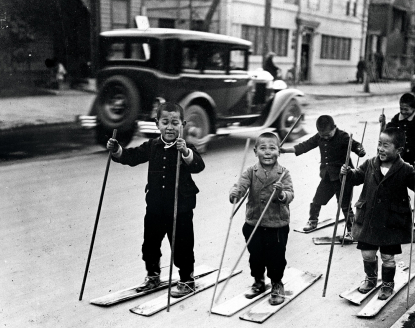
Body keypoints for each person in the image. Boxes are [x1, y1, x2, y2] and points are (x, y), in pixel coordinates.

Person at [106, 102, 205, 297]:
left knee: (182, 245)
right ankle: (153, 276)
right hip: (155, 207)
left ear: (182, 124)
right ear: (157, 123)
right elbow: (131, 157)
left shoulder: (186, 146)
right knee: (150, 244)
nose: (170, 127)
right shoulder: (152, 146)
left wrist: (185, 152)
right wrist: (117, 149)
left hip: (180, 208)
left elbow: (198, 166)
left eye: (175, 122)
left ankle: (187, 279)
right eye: (165, 122)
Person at [340, 125, 415, 299]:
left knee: (388, 257)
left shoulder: (406, 169)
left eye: (386, 145)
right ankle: (371, 278)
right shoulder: (370, 163)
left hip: (391, 221)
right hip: (370, 219)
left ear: (399, 150)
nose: (380, 148)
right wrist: (347, 173)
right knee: (367, 253)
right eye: (379, 143)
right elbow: (356, 177)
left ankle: (388, 284)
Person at [229, 132, 294, 305]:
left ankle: (276, 283)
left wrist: (281, 194)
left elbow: (290, 194)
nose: (267, 152)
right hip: (253, 223)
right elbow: (240, 187)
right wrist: (234, 194)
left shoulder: (284, 173)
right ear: (255, 151)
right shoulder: (250, 172)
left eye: (272, 148)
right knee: (255, 255)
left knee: (276, 257)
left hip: (277, 224)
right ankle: (258, 281)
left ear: (279, 152)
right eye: (263, 148)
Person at [280, 115, 365, 240]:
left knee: (344, 204)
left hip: (343, 177)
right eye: (322, 135)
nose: (325, 137)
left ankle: (351, 230)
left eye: (328, 135)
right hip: (327, 176)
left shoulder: (343, 136)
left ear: (334, 128)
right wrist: (285, 150)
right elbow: (305, 146)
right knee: (317, 199)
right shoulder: (319, 137)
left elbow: (356, 145)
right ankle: (312, 221)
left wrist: (360, 150)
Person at [379, 93, 415, 218]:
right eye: (401, 109)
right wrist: (383, 124)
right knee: (399, 178)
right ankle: (399, 206)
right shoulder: (397, 118)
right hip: (402, 156)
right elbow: (388, 131)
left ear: (414, 108)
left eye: (406, 109)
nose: (403, 112)